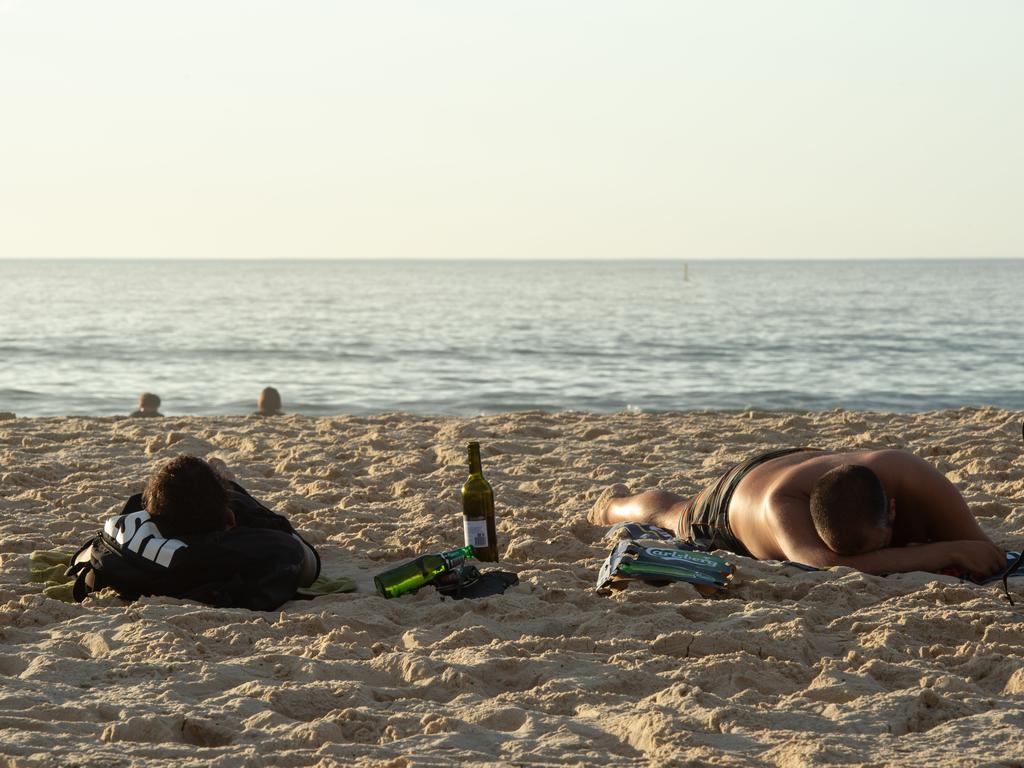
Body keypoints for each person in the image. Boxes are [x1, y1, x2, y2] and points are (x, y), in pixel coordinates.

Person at [590, 447, 1006, 578]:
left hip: (800, 461)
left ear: (891, 508)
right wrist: (944, 554)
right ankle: (613, 505)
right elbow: (825, 562)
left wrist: (965, 548)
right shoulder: (780, 510)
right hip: (734, 503)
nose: (869, 558)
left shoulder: (911, 473)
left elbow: (981, 549)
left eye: (874, 547)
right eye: (862, 554)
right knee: (673, 512)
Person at [69, 455, 319, 608]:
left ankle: (213, 487)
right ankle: (227, 484)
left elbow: (83, 558)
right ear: (227, 521)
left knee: (142, 500)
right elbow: (309, 563)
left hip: (177, 528)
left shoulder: (130, 551)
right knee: (234, 495)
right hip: (217, 525)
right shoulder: (248, 551)